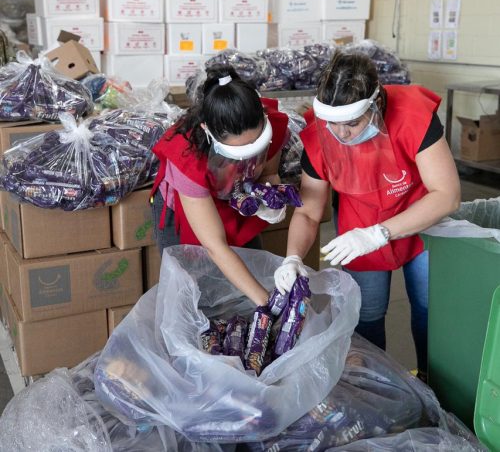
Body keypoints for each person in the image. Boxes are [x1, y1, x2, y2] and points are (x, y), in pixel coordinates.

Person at [274, 50, 461, 381]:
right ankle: (378, 388)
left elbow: (446, 195)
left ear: (375, 105)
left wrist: (380, 233)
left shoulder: (413, 115)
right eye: (332, 123)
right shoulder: (320, 137)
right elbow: (309, 213)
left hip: (421, 220)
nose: (341, 134)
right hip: (358, 230)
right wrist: (292, 258)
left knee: (430, 310)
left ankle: (435, 384)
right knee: (368, 313)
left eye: (352, 124)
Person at [151, 65, 290, 307]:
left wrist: (270, 197)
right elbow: (214, 245)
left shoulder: (274, 127)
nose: (247, 161)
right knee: (193, 292)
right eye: (237, 154)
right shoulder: (188, 157)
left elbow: (269, 172)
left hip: (236, 198)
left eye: (256, 147)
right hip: (186, 208)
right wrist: (265, 302)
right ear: (207, 132)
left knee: (250, 269)